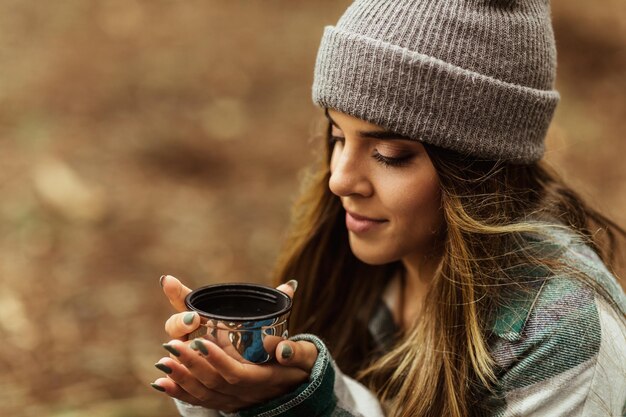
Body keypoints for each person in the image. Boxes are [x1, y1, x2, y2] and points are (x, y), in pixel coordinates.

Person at [151, 0, 626, 416]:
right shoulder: (360, 265)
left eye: (390, 155)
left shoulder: (561, 334)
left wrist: (308, 408)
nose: (339, 179)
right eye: (337, 136)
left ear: (479, 173)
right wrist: (234, 393)